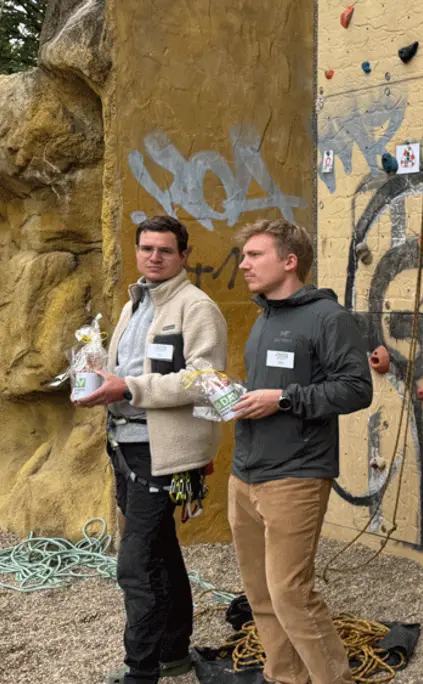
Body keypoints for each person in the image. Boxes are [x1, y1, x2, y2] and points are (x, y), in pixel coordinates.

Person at [74, 215, 229, 684]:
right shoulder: (134, 303)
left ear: (183, 255)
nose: (154, 257)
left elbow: (206, 381)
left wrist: (127, 387)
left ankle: (140, 672)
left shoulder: (197, 307)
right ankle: (173, 653)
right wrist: (98, 371)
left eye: (164, 250)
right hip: (126, 445)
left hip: (163, 453)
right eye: (146, 249)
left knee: (136, 563)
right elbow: (129, 370)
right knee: (160, 551)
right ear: (138, 251)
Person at [228, 218, 373, 684]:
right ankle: (285, 677)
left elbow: (355, 389)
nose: (244, 264)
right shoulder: (264, 316)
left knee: (291, 593)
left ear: (290, 262)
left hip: (296, 475)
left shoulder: (329, 318)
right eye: (244, 255)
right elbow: (268, 389)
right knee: (260, 595)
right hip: (245, 473)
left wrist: (285, 398)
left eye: (255, 255)